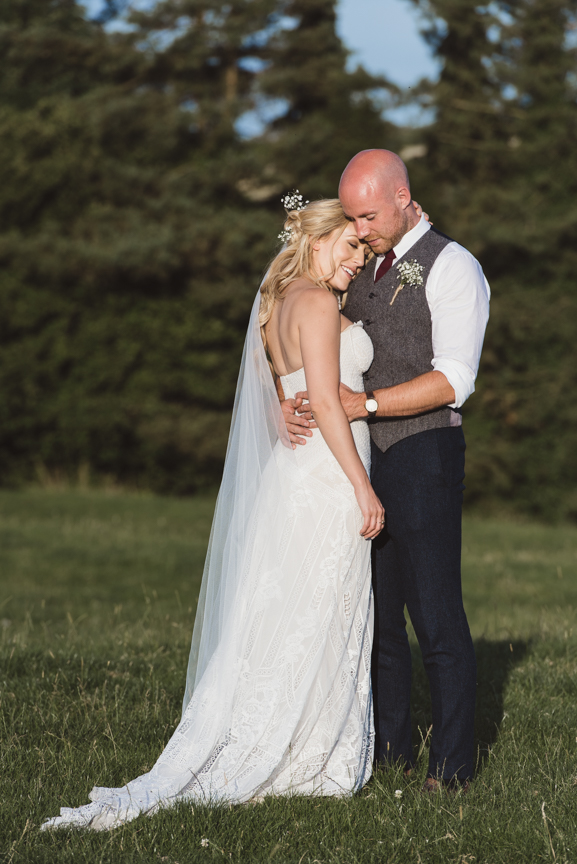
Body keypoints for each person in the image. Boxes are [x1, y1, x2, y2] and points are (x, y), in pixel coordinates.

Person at [41, 198, 384, 831]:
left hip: (293, 476)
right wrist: (364, 489)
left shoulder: (274, 303)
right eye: (350, 246)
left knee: (288, 614)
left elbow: (281, 392)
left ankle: (286, 742)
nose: (358, 260)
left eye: (363, 251)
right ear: (318, 240)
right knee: (318, 613)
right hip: (326, 481)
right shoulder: (315, 302)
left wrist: (285, 411)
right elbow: (332, 407)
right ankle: (306, 758)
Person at [285, 150, 490, 791]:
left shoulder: (454, 267)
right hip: (364, 464)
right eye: (352, 217)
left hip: (425, 454)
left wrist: (362, 405)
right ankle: (389, 752)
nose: (360, 228)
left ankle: (453, 770)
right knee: (377, 623)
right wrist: (294, 401)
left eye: (368, 215)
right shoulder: (360, 267)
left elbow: (456, 379)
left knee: (435, 617)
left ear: (404, 197)